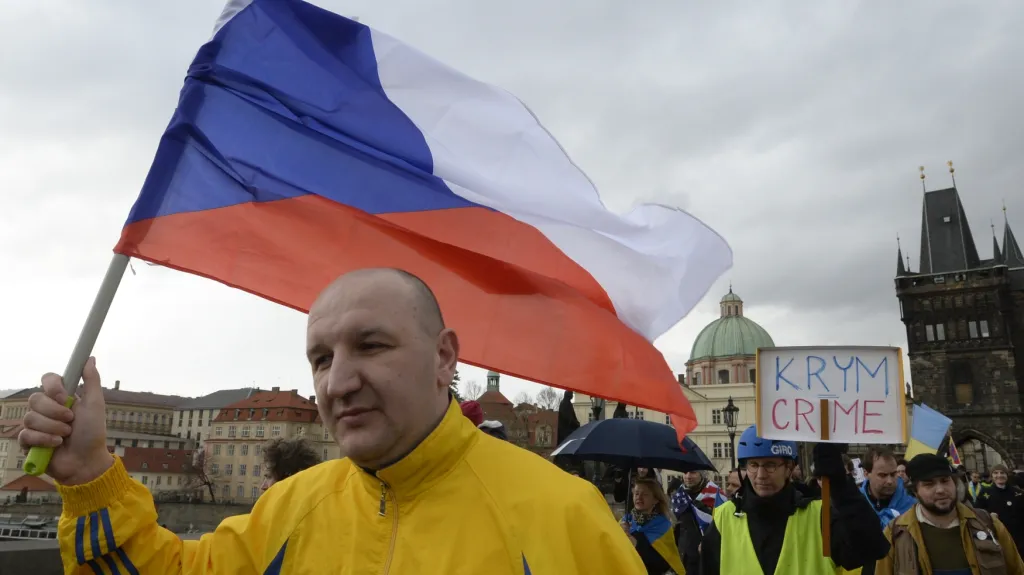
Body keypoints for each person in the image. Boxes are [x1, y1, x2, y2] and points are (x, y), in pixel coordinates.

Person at [20, 268, 646, 573]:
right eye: (320, 359)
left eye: (371, 346)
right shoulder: (290, 509)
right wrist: (91, 474)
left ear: (444, 358)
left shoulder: (566, 517)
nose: (337, 383)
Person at [699, 425, 889, 575]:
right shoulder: (724, 517)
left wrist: (841, 486)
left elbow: (872, 549)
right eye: (754, 465)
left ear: (789, 468)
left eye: (770, 465)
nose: (761, 475)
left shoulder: (820, 514)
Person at [874, 454, 1024, 574]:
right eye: (929, 484)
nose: (940, 490)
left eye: (945, 481)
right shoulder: (895, 533)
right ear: (915, 491)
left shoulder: (988, 524)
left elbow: (1017, 570)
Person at [620, 477, 686, 575]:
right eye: (636, 493)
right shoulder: (624, 521)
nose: (639, 497)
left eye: (645, 494)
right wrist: (618, 533)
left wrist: (637, 544)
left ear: (655, 499)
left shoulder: (663, 525)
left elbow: (664, 564)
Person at [860, 446, 916, 529]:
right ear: (866, 474)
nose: (890, 481)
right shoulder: (854, 505)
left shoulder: (913, 506)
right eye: (883, 475)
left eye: (893, 474)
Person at [975, 463, 1024, 553]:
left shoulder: (1017, 492)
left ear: (1007, 475)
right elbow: (977, 512)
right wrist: (988, 515)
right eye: (996, 473)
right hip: (997, 535)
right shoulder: (985, 493)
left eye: (1002, 473)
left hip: (1018, 537)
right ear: (992, 476)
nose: (999, 475)